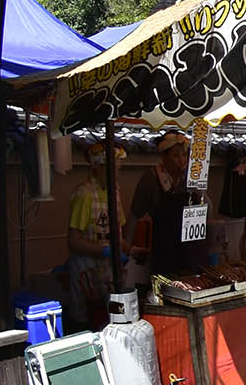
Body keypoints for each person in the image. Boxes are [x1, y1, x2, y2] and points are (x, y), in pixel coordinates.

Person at [129, 131, 207, 279]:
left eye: (184, 155)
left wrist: (200, 190)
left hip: (193, 251)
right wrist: (127, 249)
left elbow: (207, 211)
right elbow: (135, 213)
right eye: (176, 155)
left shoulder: (191, 179)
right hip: (165, 251)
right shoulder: (152, 178)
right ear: (164, 157)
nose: (182, 160)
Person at [63, 143, 117, 329]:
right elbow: (74, 241)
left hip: (107, 272)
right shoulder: (84, 194)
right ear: (97, 167)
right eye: (112, 169)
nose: (116, 174)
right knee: (86, 323)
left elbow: (118, 235)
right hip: (85, 272)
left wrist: (133, 250)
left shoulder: (113, 193)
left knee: (108, 321)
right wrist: (105, 251)